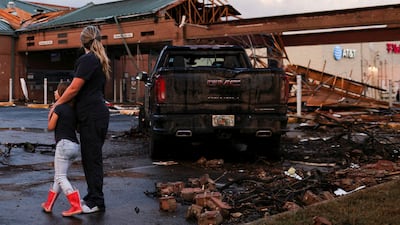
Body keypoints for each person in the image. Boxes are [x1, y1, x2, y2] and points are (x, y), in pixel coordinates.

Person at [49, 25, 111, 214]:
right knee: (92, 158)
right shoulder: (98, 60)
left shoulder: (88, 59)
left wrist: (57, 103)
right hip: (95, 115)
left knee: (92, 159)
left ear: (82, 41)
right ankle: (93, 196)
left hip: (92, 116)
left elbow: (74, 88)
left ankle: (96, 202)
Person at [41, 81, 82, 216]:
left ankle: (75, 205)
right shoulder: (73, 109)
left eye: (57, 91)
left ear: (62, 94)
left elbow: (50, 127)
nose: (54, 92)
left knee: (60, 176)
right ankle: (48, 204)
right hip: (74, 146)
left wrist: (51, 113)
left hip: (63, 145)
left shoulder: (59, 108)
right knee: (58, 176)